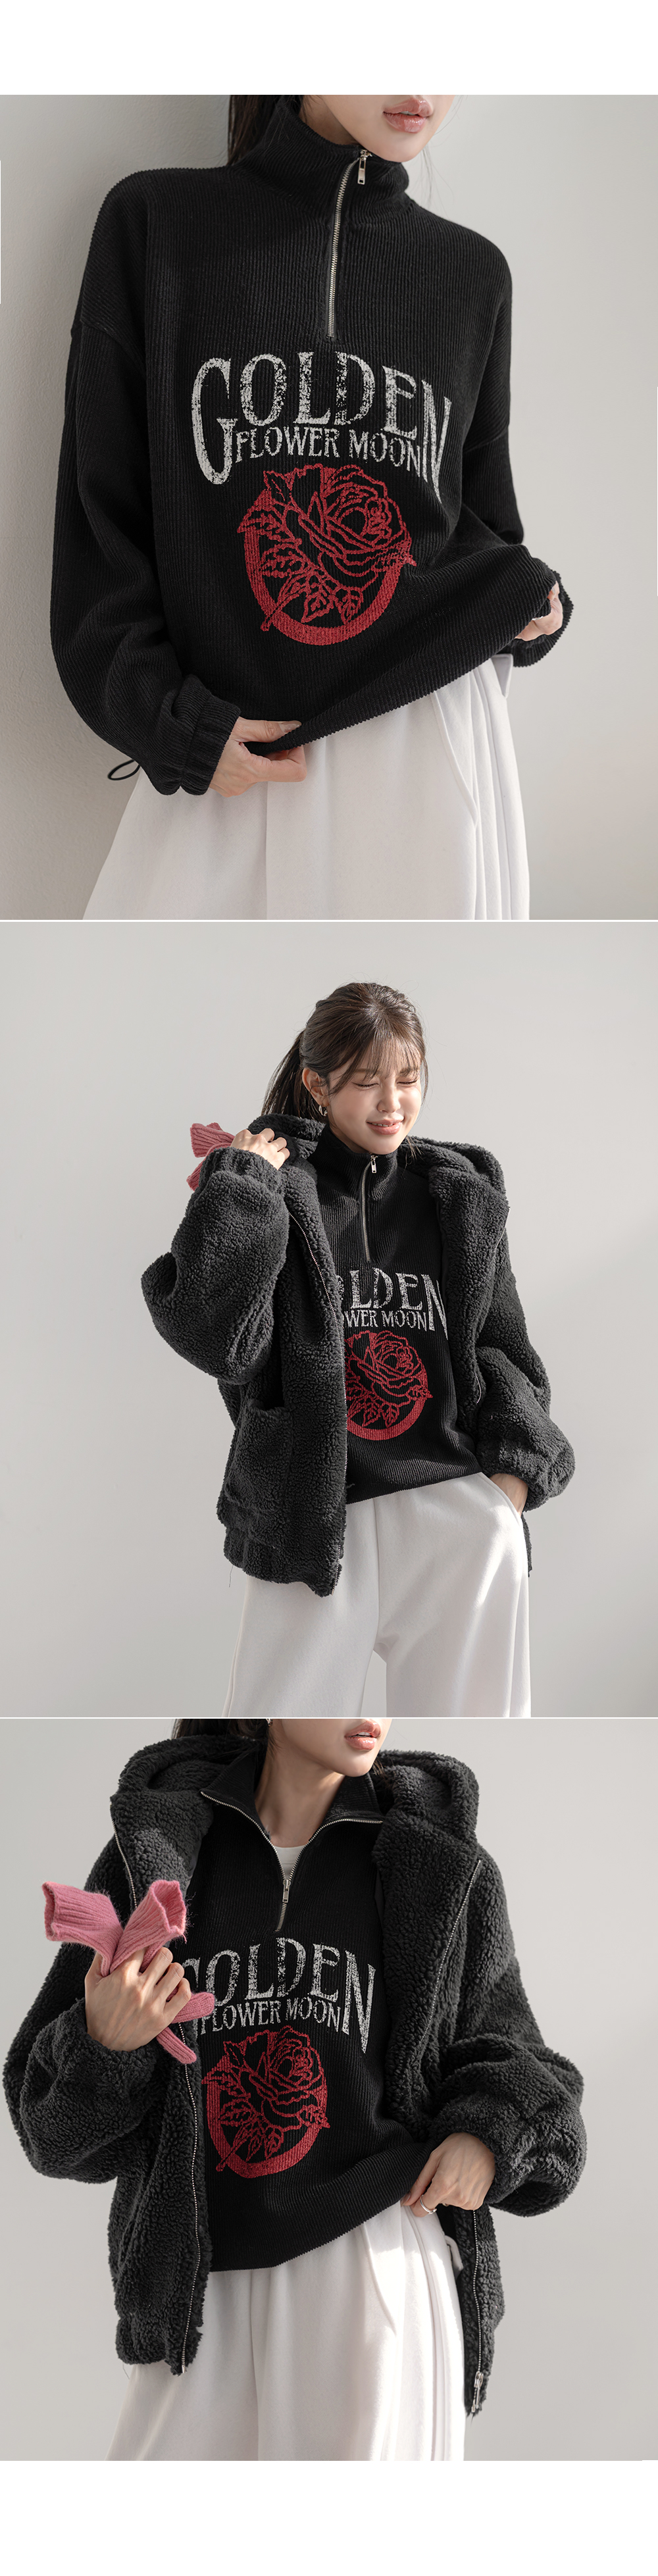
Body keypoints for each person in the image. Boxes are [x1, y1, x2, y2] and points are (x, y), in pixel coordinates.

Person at [3, 1720, 587, 2462]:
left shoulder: (436, 1862)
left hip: (371, 2260)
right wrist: (104, 2042)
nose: (368, 1708)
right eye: (339, 1681)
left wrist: (486, 2136)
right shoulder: (157, 1852)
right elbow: (49, 2131)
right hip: (193, 2288)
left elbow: (530, 2071)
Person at [50, 94, 570, 923]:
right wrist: (168, 722)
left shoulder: (471, 274)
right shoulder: (157, 225)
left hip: (420, 739)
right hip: (231, 746)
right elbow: (99, 520)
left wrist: (529, 609)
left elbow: (479, 526)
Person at [141, 981, 574, 1717]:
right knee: (274, 1731)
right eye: (367, 1081)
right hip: (311, 1516)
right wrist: (241, 1189)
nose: (392, 1103)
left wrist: (507, 1490)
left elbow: (502, 1349)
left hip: (453, 1510)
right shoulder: (276, 1186)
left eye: (408, 1079)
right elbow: (217, 1340)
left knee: (475, 1732)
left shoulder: (456, 1195)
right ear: (319, 1085)